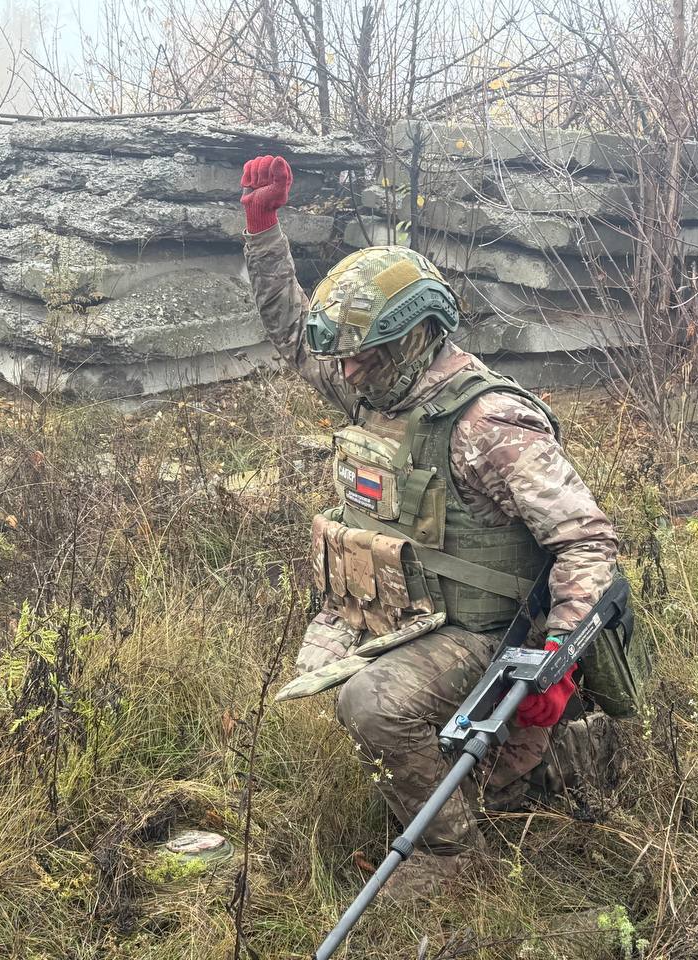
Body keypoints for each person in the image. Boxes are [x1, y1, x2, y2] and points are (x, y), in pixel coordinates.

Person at [239, 154, 620, 900]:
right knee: (365, 694)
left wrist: (553, 658)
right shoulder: (380, 387)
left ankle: (449, 859)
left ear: (417, 337)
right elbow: (295, 339)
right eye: (348, 359)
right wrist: (263, 232)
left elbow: (587, 543)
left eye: (366, 355)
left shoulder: (490, 422)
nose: (347, 373)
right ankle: (517, 766)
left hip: (489, 628)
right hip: (415, 611)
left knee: (374, 703)